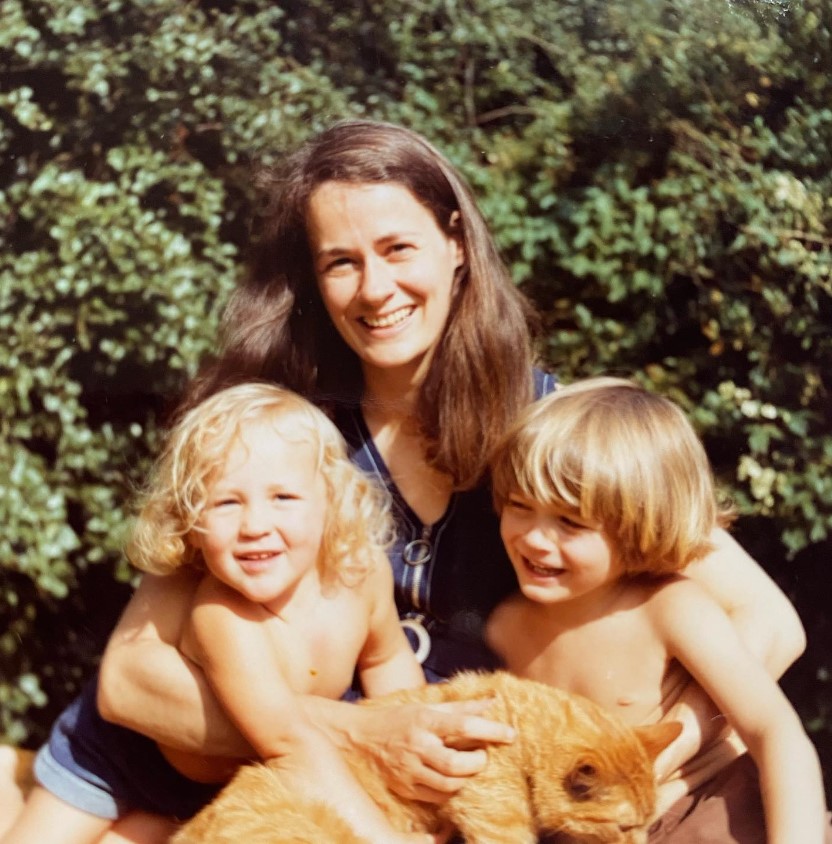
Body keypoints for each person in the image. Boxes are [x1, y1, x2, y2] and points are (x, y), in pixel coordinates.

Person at [5, 120, 807, 835]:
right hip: (292, 778)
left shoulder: (547, 436)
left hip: (422, 795)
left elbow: (770, 621)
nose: (376, 289)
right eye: (341, 263)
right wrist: (359, 731)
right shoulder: (283, 438)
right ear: (314, 280)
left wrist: (655, 755)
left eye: (398, 249)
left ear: (457, 243)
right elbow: (134, 682)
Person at [2, 383, 429, 844]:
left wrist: (418, 773)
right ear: (192, 522)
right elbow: (290, 744)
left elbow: (386, 663)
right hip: (117, 759)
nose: (255, 526)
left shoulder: (362, 576)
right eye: (226, 502)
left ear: (331, 501)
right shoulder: (222, 614)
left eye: (283, 497)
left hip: (218, 783)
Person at [487, 377, 827, 843]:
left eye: (570, 522)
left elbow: (776, 733)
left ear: (635, 526)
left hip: (709, 808)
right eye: (519, 506)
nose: (534, 538)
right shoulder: (504, 627)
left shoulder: (669, 607)